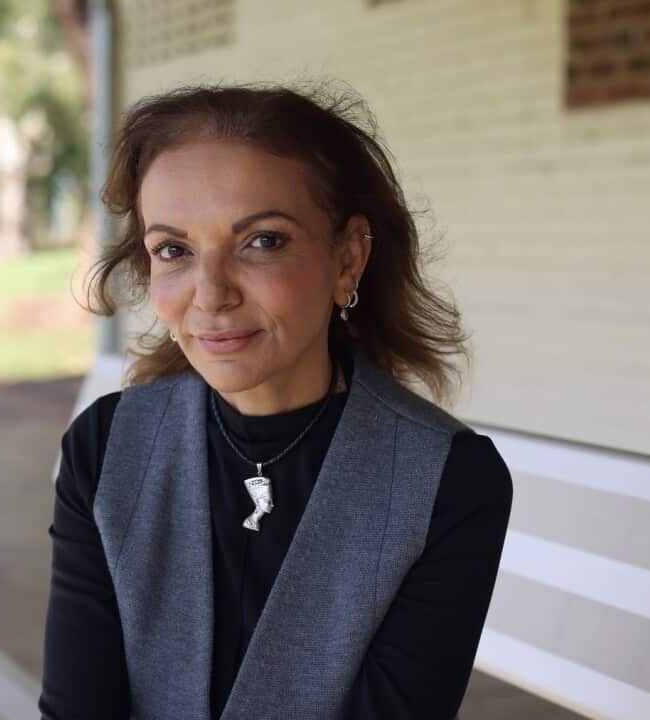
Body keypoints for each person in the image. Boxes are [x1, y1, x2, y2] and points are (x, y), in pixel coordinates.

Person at [40, 83, 513, 720]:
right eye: (174, 250)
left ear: (348, 258)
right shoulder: (106, 449)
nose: (210, 294)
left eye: (262, 240)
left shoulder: (446, 482)